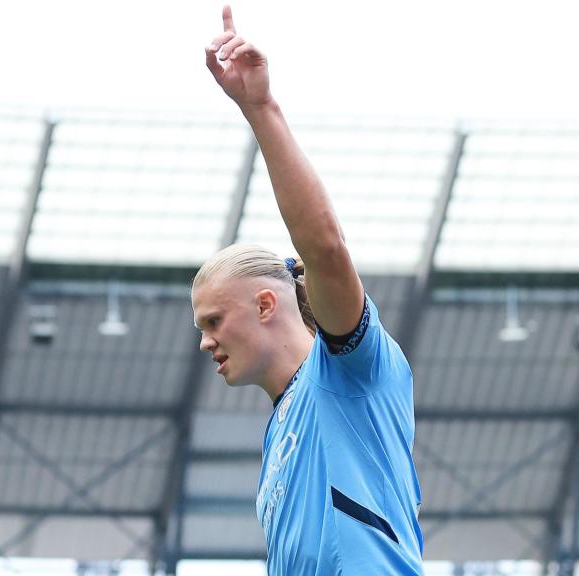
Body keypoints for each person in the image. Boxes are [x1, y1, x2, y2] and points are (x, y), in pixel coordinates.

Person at [191, 6, 424, 574]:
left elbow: (325, 248)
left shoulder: (349, 370)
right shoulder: (280, 434)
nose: (204, 343)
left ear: (266, 303)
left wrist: (260, 108)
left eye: (214, 322)